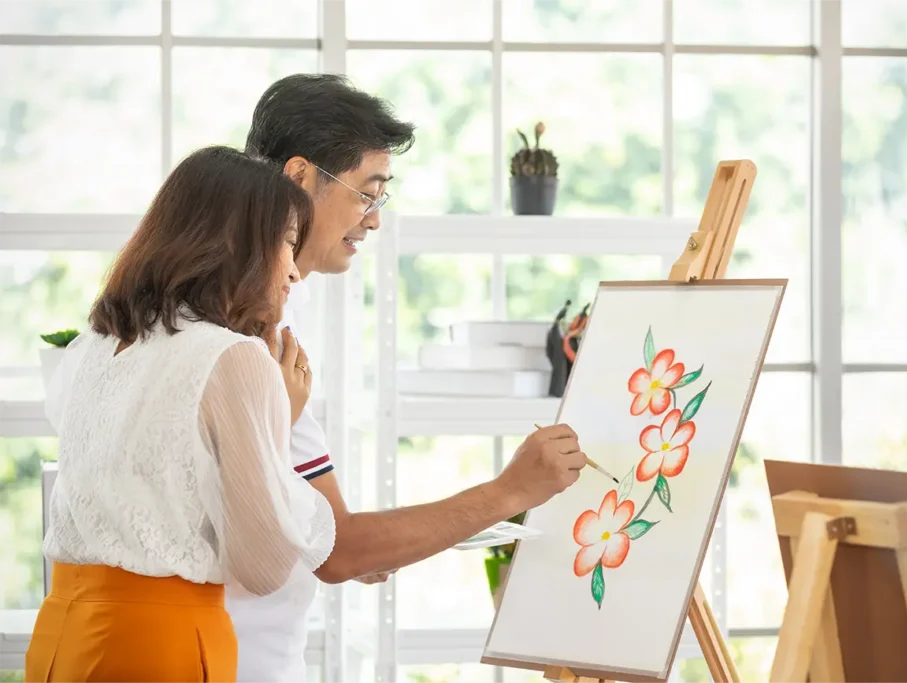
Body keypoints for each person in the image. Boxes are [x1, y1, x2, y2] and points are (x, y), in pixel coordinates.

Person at [231, 73, 588, 682]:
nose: (373, 220)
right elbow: (340, 551)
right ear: (298, 178)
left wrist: (377, 541)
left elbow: (310, 522)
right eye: (367, 193)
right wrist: (511, 492)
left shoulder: (258, 318)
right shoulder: (250, 338)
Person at [26, 146, 336, 683]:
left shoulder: (98, 345)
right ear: (240, 247)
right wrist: (276, 427)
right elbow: (263, 566)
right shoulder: (233, 358)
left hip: (63, 638)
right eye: (287, 243)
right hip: (161, 647)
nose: (294, 271)